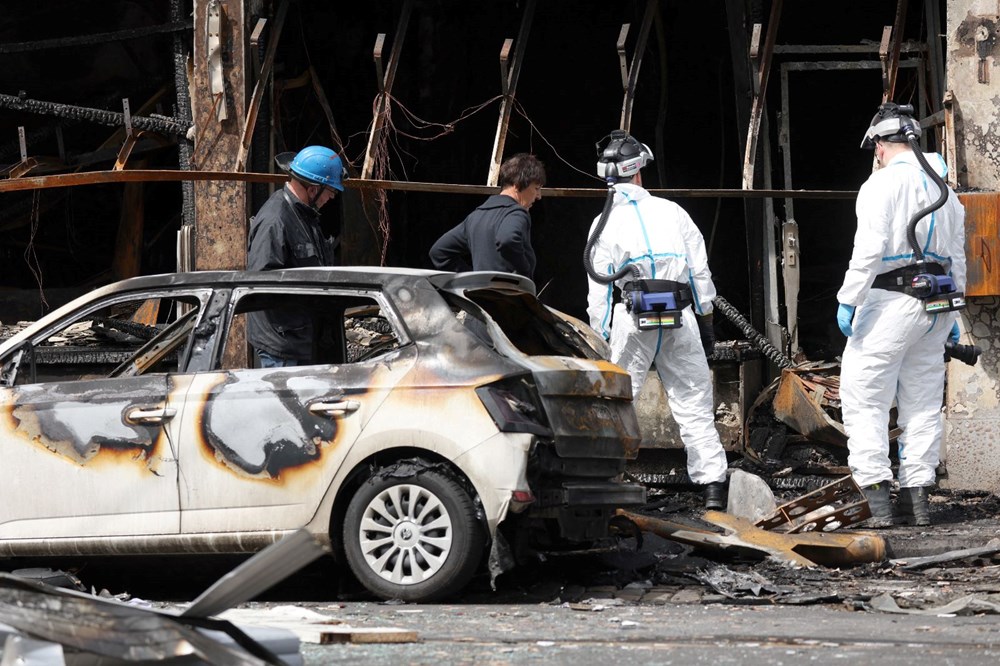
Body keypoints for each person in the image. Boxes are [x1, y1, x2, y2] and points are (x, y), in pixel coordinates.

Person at [836, 103, 967, 527]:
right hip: (937, 306)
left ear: (878, 145)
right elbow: (958, 261)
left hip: (892, 299)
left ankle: (879, 503)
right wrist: (955, 321)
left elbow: (870, 249)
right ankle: (919, 501)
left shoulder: (880, 185)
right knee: (924, 402)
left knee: (865, 398)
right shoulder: (946, 192)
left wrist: (849, 298)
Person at [584, 131, 728, 509]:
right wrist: (707, 320)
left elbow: (598, 292)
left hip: (632, 319)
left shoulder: (603, 224)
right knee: (694, 400)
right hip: (680, 316)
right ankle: (713, 486)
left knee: (617, 401)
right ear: (639, 172)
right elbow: (700, 273)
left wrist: (599, 341)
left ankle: (604, 480)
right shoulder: (673, 213)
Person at [247, 145, 345, 368]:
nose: (330, 198)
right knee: (282, 403)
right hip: (282, 346)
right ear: (313, 189)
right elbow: (261, 284)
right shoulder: (276, 220)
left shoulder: (304, 215)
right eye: (330, 192)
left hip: (299, 337)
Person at [429, 153, 545, 279]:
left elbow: (439, 252)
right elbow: (508, 239)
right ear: (517, 185)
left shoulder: (475, 217)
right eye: (536, 188)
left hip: (477, 296)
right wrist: (524, 273)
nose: (539, 196)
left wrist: (474, 279)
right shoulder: (516, 213)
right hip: (508, 296)